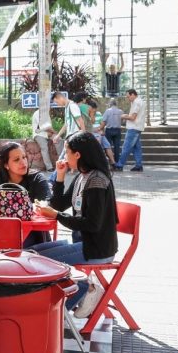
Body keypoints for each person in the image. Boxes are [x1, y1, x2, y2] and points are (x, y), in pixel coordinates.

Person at [31, 131, 119, 311]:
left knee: (39, 261)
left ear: (77, 155)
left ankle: (80, 293)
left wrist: (55, 215)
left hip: (96, 248)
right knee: (31, 253)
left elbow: (92, 224)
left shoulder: (97, 180)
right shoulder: (82, 176)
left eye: (66, 152)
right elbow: (59, 204)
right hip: (84, 244)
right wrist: (60, 177)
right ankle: (85, 288)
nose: (64, 157)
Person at [0, 142, 51, 246]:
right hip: (2, 233)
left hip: (32, 234)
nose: (23, 162)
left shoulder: (36, 178)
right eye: (16, 159)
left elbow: (46, 204)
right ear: (6, 165)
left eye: (24, 157)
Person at [113, 89, 145, 172]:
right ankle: (139, 165)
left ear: (133, 94)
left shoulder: (136, 103)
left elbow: (133, 117)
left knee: (126, 147)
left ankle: (120, 165)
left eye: (128, 97)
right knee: (136, 148)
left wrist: (123, 116)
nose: (128, 99)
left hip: (133, 128)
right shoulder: (140, 101)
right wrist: (127, 115)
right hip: (137, 127)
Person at [89, 100, 117, 167]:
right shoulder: (86, 115)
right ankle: (99, 162)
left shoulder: (98, 113)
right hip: (91, 133)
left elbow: (102, 123)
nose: (95, 111)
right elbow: (90, 125)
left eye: (95, 109)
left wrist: (100, 129)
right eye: (93, 110)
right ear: (90, 108)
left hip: (99, 132)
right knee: (97, 144)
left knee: (107, 145)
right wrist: (92, 115)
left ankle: (113, 162)